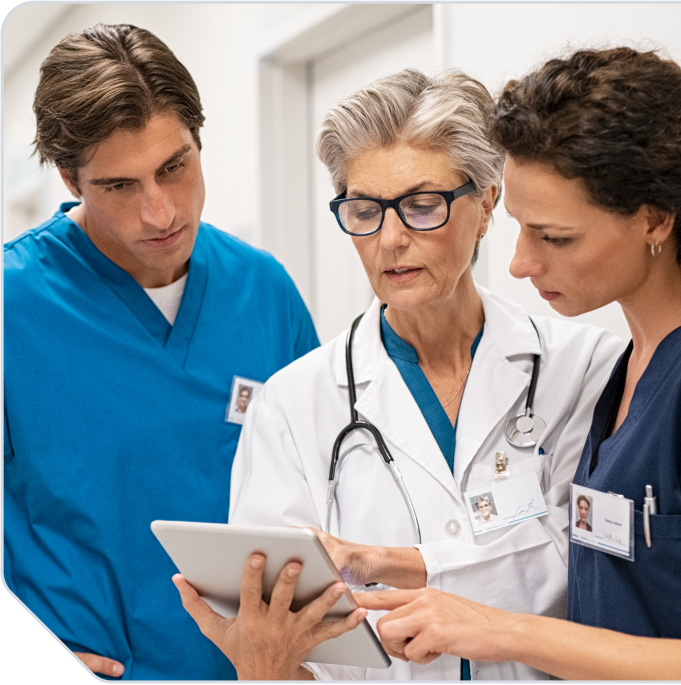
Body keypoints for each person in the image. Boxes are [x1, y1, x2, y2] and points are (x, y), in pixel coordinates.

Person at [356, 48, 681, 680]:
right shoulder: (630, 366)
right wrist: (410, 565)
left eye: (555, 237)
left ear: (654, 219)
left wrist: (503, 631)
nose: (519, 263)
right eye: (518, 226)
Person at [174, 68, 625, 681]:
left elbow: (585, 564)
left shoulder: (586, 369)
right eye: (363, 209)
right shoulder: (291, 404)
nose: (389, 239)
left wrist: (392, 561)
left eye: (421, 206)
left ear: (488, 202)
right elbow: (279, 641)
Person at [4, 24, 320, 680]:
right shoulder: (14, 304)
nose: (160, 212)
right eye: (119, 186)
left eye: (174, 168)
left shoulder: (265, 291)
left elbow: (323, 487)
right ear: (71, 177)